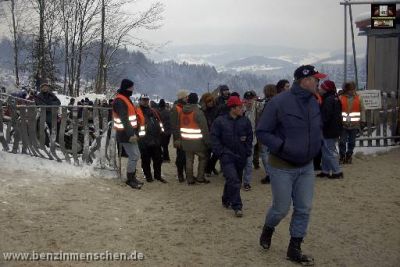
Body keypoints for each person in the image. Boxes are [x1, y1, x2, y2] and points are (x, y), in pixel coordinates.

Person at [256, 65, 326, 265]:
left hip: (306, 166)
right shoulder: (279, 103)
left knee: (304, 208)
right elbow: (262, 132)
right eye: (315, 79)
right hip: (282, 166)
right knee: (281, 208)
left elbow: (316, 127)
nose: (318, 82)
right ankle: (268, 229)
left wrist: (317, 143)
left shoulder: (313, 102)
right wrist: (283, 146)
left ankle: (294, 248)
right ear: (304, 81)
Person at [211, 96, 253, 217]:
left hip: (241, 156)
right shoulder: (220, 121)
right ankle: (237, 206)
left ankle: (226, 199)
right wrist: (221, 152)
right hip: (226, 156)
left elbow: (250, 136)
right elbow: (214, 138)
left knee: (234, 180)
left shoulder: (245, 121)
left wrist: (247, 151)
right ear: (233, 108)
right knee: (234, 180)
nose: (242, 108)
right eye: (240, 106)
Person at [112, 79, 144, 189]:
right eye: (131, 88)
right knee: (134, 155)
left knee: (136, 155)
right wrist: (131, 134)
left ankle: (132, 177)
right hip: (125, 134)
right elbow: (125, 119)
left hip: (130, 133)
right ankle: (130, 179)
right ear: (126, 88)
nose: (133, 90)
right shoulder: (120, 101)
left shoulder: (126, 99)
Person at [179, 93, 210, 185]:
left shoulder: (182, 111)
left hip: (185, 140)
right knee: (203, 158)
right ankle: (200, 177)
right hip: (198, 142)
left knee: (189, 160)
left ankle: (190, 179)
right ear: (197, 100)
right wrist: (207, 141)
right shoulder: (198, 112)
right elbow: (204, 128)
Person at [137, 94, 167, 183]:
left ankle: (158, 176)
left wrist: (162, 134)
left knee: (158, 159)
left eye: (147, 100)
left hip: (156, 140)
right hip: (144, 141)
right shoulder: (137, 111)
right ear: (140, 100)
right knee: (146, 160)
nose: (145, 101)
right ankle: (148, 177)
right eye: (143, 100)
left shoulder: (154, 111)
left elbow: (160, 123)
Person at [317, 80, 343, 179]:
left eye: (321, 87)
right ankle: (325, 170)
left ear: (326, 89)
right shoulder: (335, 98)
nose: (319, 89)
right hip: (334, 128)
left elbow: (326, 116)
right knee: (326, 150)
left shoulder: (328, 100)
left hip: (328, 130)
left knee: (329, 151)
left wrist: (319, 125)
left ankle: (337, 172)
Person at [339, 81, 365, 164]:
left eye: (353, 89)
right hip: (343, 124)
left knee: (352, 142)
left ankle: (349, 155)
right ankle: (342, 156)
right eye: (349, 89)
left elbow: (362, 110)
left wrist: (363, 121)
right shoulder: (340, 97)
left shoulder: (359, 98)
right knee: (342, 141)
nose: (351, 91)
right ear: (346, 89)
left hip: (354, 124)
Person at [258, 84, 277, 184]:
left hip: (267, 130)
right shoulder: (279, 101)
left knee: (264, 152)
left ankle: (269, 174)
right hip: (276, 131)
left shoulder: (266, 103)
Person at [170, 89, 189, 182]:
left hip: (187, 136)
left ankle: (188, 174)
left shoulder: (186, 107)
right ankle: (180, 174)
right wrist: (177, 138)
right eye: (186, 97)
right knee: (181, 157)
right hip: (180, 137)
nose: (187, 98)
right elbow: (174, 125)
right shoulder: (176, 108)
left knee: (187, 156)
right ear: (182, 98)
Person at [242, 90, 258, 191]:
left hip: (251, 140)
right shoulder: (240, 110)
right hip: (239, 141)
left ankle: (247, 182)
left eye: (251, 99)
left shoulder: (257, 110)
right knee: (239, 162)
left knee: (248, 162)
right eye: (247, 99)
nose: (249, 101)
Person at [200, 93, 219, 177]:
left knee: (217, 153)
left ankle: (210, 167)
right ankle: (207, 169)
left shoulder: (216, 109)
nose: (210, 102)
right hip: (206, 135)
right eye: (208, 101)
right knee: (206, 154)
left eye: (211, 101)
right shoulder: (202, 111)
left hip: (215, 134)